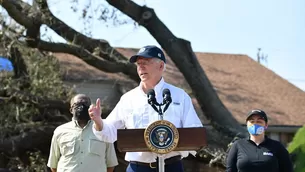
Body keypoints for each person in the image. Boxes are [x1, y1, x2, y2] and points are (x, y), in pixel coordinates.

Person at [89, 45, 203, 172]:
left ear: (160, 66)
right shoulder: (128, 98)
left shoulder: (179, 96)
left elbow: (195, 131)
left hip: (172, 166)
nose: (141, 67)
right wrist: (98, 122)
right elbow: (109, 133)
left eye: (146, 62)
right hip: (138, 167)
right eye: (138, 64)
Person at [47, 94, 118, 172]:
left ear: (90, 108)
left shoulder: (102, 130)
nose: (82, 107)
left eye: (85, 104)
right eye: (77, 104)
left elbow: (111, 165)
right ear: (71, 110)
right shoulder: (60, 131)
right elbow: (53, 165)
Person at [226, 109, 294, 172]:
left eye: (259, 121)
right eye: (252, 121)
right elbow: (230, 170)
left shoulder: (277, 146)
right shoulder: (238, 145)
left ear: (266, 125)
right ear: (247, 125)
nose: (255, 124)